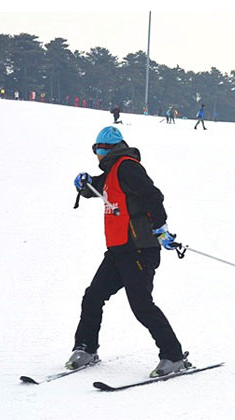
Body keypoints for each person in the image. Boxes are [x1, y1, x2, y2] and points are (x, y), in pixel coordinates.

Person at [68, 126, 189, 378]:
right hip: (118, 251)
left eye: (98, 150)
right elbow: (97, 188)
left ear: (108, 149)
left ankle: (174, 356)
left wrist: (161, 228)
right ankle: (86, 348)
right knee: (93, 296)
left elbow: (153, 196)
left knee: (142, 305)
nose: (96, 155)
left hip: (139, 250)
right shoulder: (113, 171)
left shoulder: (127, 167)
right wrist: (84, 184)